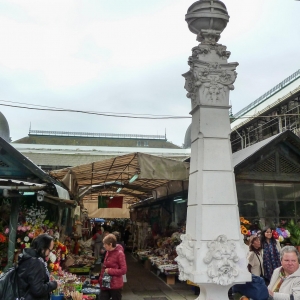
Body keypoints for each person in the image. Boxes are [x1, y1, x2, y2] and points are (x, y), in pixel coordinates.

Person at [17, 233, 60, 300]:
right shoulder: (36, 262)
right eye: (50, 250)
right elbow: (38, 290)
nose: (49, 253)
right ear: (43, 248)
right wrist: (54, 284)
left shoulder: (27, 257)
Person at [99, 234, 127, 300]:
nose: (104, 246)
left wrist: (110, 271)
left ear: (110, 244)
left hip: (115, 285)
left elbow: (123, 270)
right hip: (106, 283)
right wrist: (100, 279)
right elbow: (104, 267)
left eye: (105, 244)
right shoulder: (108, 252)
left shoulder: (120, 253)